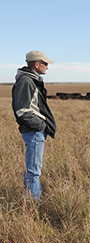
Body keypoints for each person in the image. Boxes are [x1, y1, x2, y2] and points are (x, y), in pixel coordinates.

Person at [12, 50, 57, 201]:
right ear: (36, 64)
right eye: (45, 64)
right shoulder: (26, 81)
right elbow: (22, 110)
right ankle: (33, 205)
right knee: (34, 172)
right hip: (34, 131)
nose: (47, 67)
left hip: (35, 131)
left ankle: (31, 200)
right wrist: (41, 126)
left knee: (32, 170)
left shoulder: (31, 79)